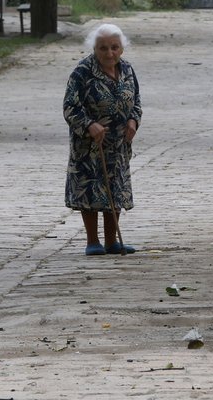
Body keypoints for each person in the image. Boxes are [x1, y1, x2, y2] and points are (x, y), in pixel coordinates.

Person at [63, 23, 141, 255]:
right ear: (94, 49)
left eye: (114, 48)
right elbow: (70, 107)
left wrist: (133, 121)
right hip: (90, 145)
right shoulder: (82, 72)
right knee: (91, 189)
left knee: (114, 187)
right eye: (103, 48)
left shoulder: (127, 70)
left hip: (118, 144)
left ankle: (111, 241)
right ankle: (92, 241)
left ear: (122, 48)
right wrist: (89, 125)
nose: (110, 53)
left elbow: (136, 101)